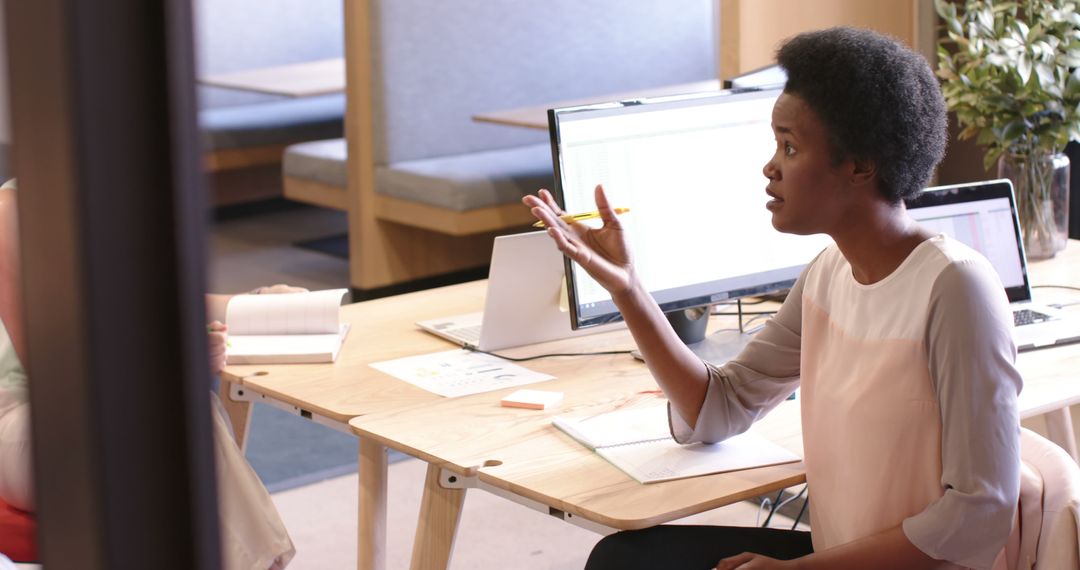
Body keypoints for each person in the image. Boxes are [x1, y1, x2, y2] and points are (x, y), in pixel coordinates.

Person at [524, 27, 1022, 570]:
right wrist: (628, 288)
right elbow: (720, 408)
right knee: (624, 558)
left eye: (790, 146)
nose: (771, 166)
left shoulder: (956, 288)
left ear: (860, 165)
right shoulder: (828, 274)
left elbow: (979, 514)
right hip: (834, 555)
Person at [0, 179, 296, 569]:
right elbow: (50, 369)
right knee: (168, 417)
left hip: (117, 406)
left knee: (175, 416)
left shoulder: (123, 182)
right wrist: (168, 361)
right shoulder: (14, 211)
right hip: (31, 416)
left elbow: (155, 299)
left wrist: (253, 305)